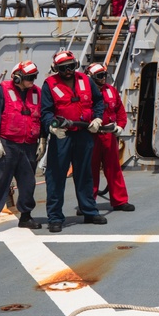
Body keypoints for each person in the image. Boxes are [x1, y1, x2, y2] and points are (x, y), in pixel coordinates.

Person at [41, 50, 107, 233]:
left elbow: (98, 102)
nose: (68, 71)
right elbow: (45, 111)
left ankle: (89, 211)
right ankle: (55, 217)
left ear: (75, 65)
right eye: (63, 68)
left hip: (84, 134)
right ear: (56, 69)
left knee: (85, 174)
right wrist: (51, 127)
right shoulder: (50, 84)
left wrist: (98, 119)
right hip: (62, 136)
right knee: (56, 177)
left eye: (71, 67)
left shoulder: (86, 81)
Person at [0, 61, 45, 236]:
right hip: (6, 143)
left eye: (34, 77)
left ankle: (26, 216)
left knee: (28, 183)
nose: (32, 81)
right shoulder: (3, 90)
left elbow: (42, 117)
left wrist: (43, 139)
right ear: (18, 77)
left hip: (29, 144)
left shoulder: (37, 92)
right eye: (29, 77)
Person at [86, 63, 134, 212]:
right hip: (91, 136)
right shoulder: (85, 93)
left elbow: (120, 110)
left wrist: (120, 125)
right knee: (90, 171)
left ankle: (120, 201)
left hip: (108, 135)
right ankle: (87, 203)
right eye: (100, 76)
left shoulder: (111, 91)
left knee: (113, 168)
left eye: (104, 75)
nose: (103, 79)